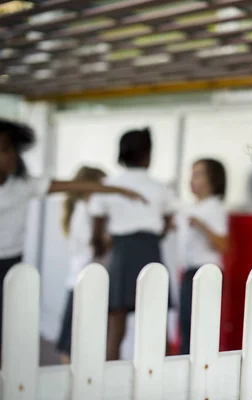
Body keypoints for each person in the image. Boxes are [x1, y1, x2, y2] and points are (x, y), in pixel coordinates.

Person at [0, 118, 143, 362]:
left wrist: (121, 190)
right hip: (76, 275)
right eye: (4, 150)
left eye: (12, 148)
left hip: (11, 262)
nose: (11, 155)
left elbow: (75, 183)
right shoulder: (81, 216)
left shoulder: (24, 185)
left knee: (9, 329)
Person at [89, 127, 176, 361]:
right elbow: (168, 222)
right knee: (158, 323)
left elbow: (96, 225)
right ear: (147, 154)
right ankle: (165, 379)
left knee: (115, 328)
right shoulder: (161, 188)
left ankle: (110, 382)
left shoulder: (108, 185)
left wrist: (100, 245)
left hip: (122, 254)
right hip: (150, 252)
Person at [56, 166, 111, 364]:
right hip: (84, 280)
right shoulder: (84, 211)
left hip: (83, 279)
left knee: (78, 338)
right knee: (73, 342)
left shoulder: (83, 210)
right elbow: (95, 246)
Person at [178, 158, 228, 354]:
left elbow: (223, 244)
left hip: (205, 270)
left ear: (212, 180)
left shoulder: (214, 208)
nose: (191, 180)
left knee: (199, 325)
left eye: (198, 175)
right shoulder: (192, 207)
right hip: (189, 270)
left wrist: (201, 225)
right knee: (186, 323)